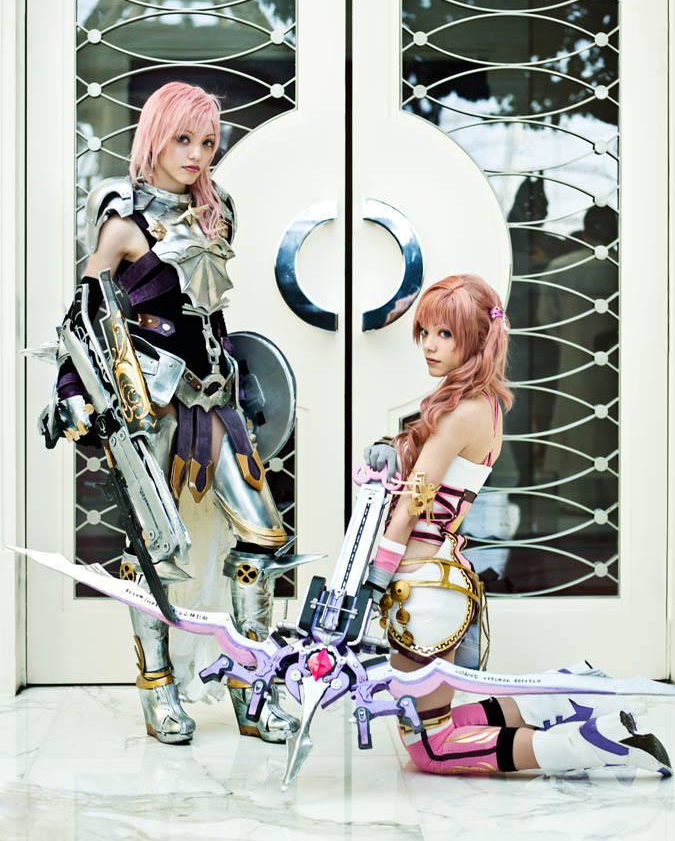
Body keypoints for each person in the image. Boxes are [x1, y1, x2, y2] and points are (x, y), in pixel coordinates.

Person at [48, 81, 301, 746]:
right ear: (156, 136)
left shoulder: (219, 213)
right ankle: (158, 689)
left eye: (208, 142)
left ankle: (252, 689)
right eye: (183, 138)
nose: (196, 154)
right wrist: (71, 391)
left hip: (218, 395)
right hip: (153, 403)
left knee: (261, 539)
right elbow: (84, 318)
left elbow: (211, 315)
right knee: (155, 545)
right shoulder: (122, 222)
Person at [364, 275, 670, 776]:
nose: (429, 346)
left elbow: (415, 500)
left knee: (431, 747)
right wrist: (390, 446)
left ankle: (594, 745)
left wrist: (374, 576)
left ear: (476, 339)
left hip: (418, 587)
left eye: (445, 334)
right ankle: (569, 693)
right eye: (426, 332)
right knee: (428, 725)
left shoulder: (460, 412)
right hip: (433, 580)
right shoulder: (480, 404)